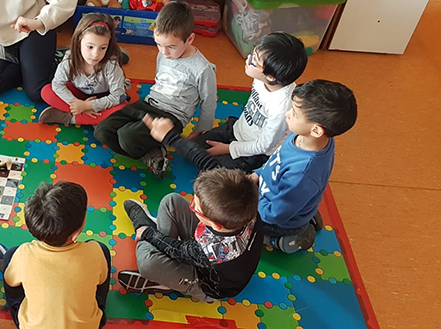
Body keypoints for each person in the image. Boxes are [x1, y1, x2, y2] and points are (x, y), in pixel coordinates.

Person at [151, 33, 307, 173]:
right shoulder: (263, 79)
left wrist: (229, 149)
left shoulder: (281, 107)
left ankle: (252, 175)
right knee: (193, 151)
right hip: (236, 130)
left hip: (254, 153)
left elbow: (264, 145)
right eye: (253, 53)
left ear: (271, 77)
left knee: (209, 170)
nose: (248, 59)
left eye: (254, 60)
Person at [94, 2, 217, 178]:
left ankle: (153, 147)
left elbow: (209, 102)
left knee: (127, 137)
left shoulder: (203, 69)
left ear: (189, 39)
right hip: (148, 105)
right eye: (159, 44)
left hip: (171, 118)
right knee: (102, 131)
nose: (164, 52)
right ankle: (151, 152)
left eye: (171, 47)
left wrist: (200, 130)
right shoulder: (163, 54)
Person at [117, 168, 263, 300]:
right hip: (208, 257)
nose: (191, 205)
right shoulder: (246, 209)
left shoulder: (212, 250)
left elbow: (177, 250)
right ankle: (165, 267)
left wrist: (148, 233)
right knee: (171, 201)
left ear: (216, 225)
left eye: (195, 208)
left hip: (205, 283)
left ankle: (144, 225)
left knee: (147, 264)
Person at [253, 79, 358, 253]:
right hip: (279, 198)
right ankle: (305, 214)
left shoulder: (302, 173)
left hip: (277, 219)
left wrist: (250, 202)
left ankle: (285, 239)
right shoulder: (306, 136)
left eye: (294, 113)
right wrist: (257, 174)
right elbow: (277, 160)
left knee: (232, 222)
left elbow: (274, 215)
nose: (287, 114)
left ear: (316, 130)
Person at [0, 181, 111, 328]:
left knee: (10, 255)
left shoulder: (25, 253)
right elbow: (101, 280)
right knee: (103, 251)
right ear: (75, 235)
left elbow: (11, 281)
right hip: (92, 325)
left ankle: (8, 264)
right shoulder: (94, 252)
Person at [38, 13, 128, 126]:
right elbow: (57, 84)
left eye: (103, 48)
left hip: (104, 97)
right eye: (90, 47)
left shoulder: (111, 65)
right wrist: (77, 104)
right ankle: (94, 120)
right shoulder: (69, 60)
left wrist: (88, 106)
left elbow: (118, 96)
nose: (96, 54)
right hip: (78, 95)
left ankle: (71, 118)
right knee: (46, 91)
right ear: (79, 41)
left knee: (123, 108)